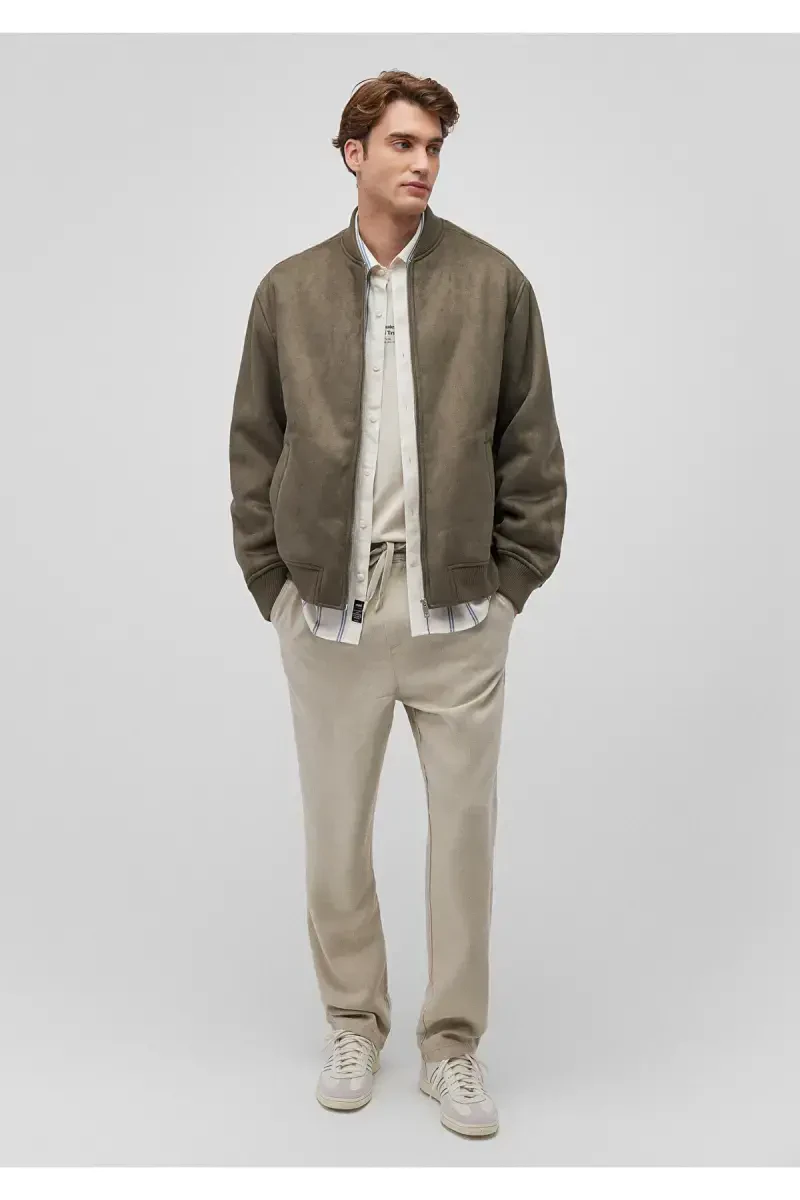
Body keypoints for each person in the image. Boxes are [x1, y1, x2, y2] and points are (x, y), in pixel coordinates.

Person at [228, 69, 567, 1139]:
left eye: (433, 147)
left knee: (461, 841)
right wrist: (274, 584)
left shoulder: (493, 282)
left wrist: (510, 588)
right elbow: (253, 446)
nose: (422, 163)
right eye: (403, 144)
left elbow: (531, 449)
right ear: (354, 154)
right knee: (335, 839)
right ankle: (352, 1021)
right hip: (330, 611)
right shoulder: (288, 291)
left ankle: (451, 1047)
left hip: (459, 613)